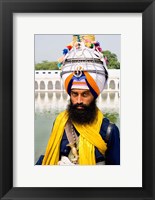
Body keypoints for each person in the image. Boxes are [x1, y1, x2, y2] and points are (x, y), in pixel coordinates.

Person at [36, 35, 120, 165]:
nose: (79, 100)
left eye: (85, 94)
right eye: (74, 94)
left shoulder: (109, 131)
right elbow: (48, 156)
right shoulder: (60, 123)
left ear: (94, 95)